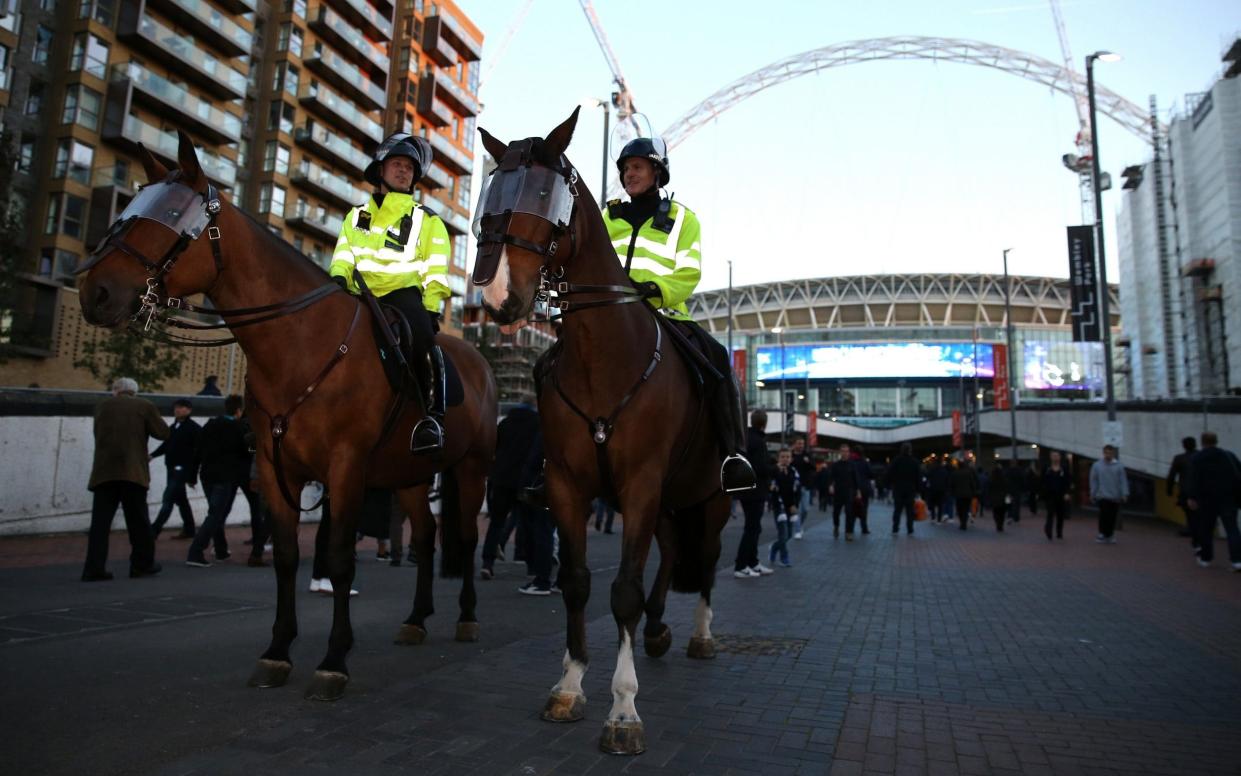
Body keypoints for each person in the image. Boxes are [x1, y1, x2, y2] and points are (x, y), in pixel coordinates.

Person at [602, 137, 754, 494]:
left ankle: (733, 456)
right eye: (625, 169)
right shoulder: (608, 217)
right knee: (550, 363)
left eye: (636, 167)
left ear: (657, 171)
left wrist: (654, 290)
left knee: (717, 360)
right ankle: (550, 465)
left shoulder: (684, 219)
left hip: (667, 314)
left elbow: (689, 273)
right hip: (611, 318)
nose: (628, 175)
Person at [330, 131, 450, 454]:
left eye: (409, 168)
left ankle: (432, 418)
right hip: (357, 295)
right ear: (380, 170)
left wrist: (431, 307)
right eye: (396, 164)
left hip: (403, 297)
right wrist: (338, 282)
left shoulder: (427, 220)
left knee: (425, 340)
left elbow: (436, 267)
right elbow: (343, 255)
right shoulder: (355, 216)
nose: (403, 171)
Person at [81, 377, 170, 581]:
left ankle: (94, 568)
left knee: (100, 525)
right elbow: (163, 433)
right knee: (139, 522)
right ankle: (142, 564)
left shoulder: (102, 406)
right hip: (133, 472)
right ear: (134, 391)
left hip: (103, 473)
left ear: (115, 391)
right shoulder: (144, 405)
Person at [186, 394, 250, 567]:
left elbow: (197, 450)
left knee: (216, 511)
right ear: (239, 410)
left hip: (207, 474)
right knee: (216, 514)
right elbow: (246, 453)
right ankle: (196, 551)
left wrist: (191, 475)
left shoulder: (210, 425)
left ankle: (221, 549)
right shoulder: (239, 428)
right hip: (225, 475)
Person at [481, 394, 541, 580]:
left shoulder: (505, 424)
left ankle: (487, 563)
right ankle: (532, 566)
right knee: (529, 524)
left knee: (497, 522)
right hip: (526, 480)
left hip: (501, 479)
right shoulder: (538, 424)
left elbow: (494, 449)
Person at [1183, 431, 1241, 571]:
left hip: (1207, 500)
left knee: (1206, 529)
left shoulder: (1197, 458)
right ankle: (1237, 560)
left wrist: (1192, 497)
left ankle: (1206, 558)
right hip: (1228, 498)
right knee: (1232, 529)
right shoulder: (1229, 456)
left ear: (1202, 442)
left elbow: (1194, 479)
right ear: (1216, 441)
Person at [150, 398, 200, 539]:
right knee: (181, 499)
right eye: (176, 407)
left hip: (182, 469)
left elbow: (198, 454)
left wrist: (192, 476)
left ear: (189, 410)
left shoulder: (194, 429)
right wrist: (152, 455)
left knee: (169, 498)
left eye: (182, 407)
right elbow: (166, 445)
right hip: (171, 468)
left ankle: (154, 530)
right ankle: (189, 529)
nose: (178, 410)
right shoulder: (173, 427)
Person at [733, 410, 774, 579]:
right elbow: (759, 468)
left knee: (754, 527)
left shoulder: (746, 438)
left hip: (745, 489)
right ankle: (741, 565)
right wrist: (774, 469)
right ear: (764, 423)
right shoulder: (758, 441)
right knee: (752, 528)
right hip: (756, 491)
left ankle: (753, 562)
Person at [1089, 444, 1128, 544]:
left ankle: (1110, 534)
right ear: (1103, 453)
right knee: (1104, 515)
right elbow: (1094, 480)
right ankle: (1102, 533)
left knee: (1112, 516)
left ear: (1113, 453)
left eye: (1110, 453)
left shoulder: (1119, 466)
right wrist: (1093, 493)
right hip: (1102, 495)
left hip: (1115, 496)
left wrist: (1124, 493)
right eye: (1106, 452)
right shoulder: (1097, 465)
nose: (1108, 455)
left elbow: (1123, 480)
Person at [1166, 436, 1199, 550]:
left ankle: (1193, 533)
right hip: (1201, 490)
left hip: (1186, 490)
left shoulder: (1180, 458)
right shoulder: (1201, 457)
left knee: (1190, 514)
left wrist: (1169, 490)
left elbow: (1171, 476)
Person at [768, 448, 799, 567]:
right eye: (783, 457)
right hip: (779, 508)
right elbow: (771, 488)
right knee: (783, 534)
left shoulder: (793, 472)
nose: (785, 459)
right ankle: (784, 557)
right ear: (778, 458)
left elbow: (797, 491)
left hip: (790, 508)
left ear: (791, 459)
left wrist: (794, 505)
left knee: (789, 535)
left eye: (787, 457)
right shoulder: (774, 471)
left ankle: (774, 548)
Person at [887, 442, 921, 536]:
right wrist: (918, 490)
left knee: (897, 510)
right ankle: (910, 529)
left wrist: (890, 484)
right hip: (911, 490)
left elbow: (889, 473)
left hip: (898, 489)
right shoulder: (914, 462)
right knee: (909, 511)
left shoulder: (896, 460)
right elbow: (918, 477)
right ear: (910, 450)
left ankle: (895, 528)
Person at [828, 443, 857, 538]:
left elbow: (856, 479)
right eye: (843, 451)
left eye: (846, 451)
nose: (845, 453)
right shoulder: (835, 465)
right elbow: (831, 477)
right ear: (840, 452)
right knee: (836, 512)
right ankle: (836, 526)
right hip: (838, 491)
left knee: (849, 512)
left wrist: (858, 491)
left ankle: (848, 532)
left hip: (849, 491)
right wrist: (831, 485)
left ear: (849, 453)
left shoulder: (852, 464)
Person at [1042, 450, 1072, 540]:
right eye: (1053, 456)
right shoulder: (1046, 468)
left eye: (1057, 456)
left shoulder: (1064, 468)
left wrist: (1067, 493)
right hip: (1050, 495)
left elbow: (1068, 481)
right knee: (1050, 513)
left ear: (1060, 457)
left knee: (1060, 514)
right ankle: (1049, 531)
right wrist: (1043, 492)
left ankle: (1059, 532)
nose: (1055, 457)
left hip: (1061, 495)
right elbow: (1042, 481)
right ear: (1050, 457)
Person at [789, 437, 815, 538]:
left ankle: (800, 524)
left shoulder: (807, 455)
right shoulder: (791, 455)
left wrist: (808, 462)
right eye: (799, 443)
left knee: (805, 509)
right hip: (793, 486)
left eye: (802, 444)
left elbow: (813, 467)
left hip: (805, 486)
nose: (801, 445)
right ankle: (798, 530)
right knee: (795, 508)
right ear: (795, 444)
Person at [848, 443, 875, 537]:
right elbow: (871, 474)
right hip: (864, 489)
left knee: (852, 509)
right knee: (863, 508)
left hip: (852, 489)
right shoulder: (864, 462)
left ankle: (850, 528)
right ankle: (864, 528)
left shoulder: (849, 462)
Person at [949, 458, 979, 531]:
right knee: (966, 508)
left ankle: (962, 521)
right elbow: (972, 483)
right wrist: (974, 491)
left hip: (958, 494)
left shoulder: (955, 473)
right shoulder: (968, 473)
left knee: (959, 508)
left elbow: (952, 484)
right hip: (967, 494)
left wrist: (952, 492)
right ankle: (964, 522)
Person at [986, 460, 1010, 532]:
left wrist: (989, 497)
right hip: (1003, 498)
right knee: (1002, 513)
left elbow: (989, 489)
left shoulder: (991, 480)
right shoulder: (1004, 479)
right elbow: (1007, 489)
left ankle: (998, 523)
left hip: (994, 499)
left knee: (996, 512)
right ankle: (1001, 524)